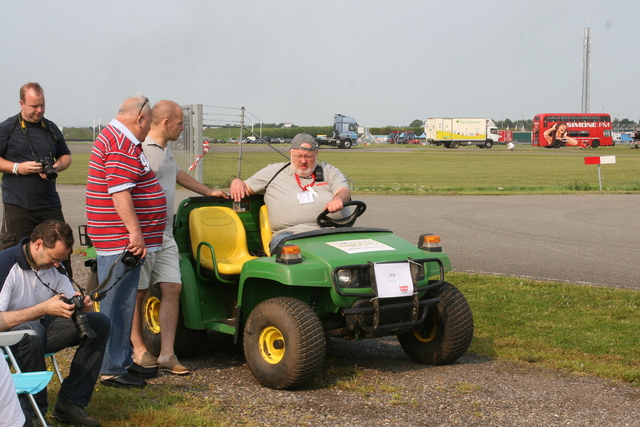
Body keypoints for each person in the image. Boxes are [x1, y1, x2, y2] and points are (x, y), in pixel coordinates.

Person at [130, 100, 228, 375]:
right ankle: (138, 349)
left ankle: (167, 354)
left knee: (172, 288)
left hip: (165, 233)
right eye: (181, 123)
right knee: (137, 293)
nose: (183, 128)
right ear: (165, 123)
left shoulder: (165, 149)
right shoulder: (141, 151)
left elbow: (177, 174)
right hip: (144, 235)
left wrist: (208, 191)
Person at [85, 94, 167, 389]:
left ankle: (119, 360)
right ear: (140, 119)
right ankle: (109, 367)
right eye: (148, 124)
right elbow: (120, 193)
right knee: (116, 303)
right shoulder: (121, 143)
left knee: (123, 302)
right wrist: (135, 232)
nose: (148, 130)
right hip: (120, 240)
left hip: (120, 239)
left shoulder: (122, 140)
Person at [0, 220, 110, 427]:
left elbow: (67, 300)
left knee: (98, 323)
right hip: (7, 337)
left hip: (39, 331)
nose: (57, 265)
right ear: (38, 244)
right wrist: (41, 309)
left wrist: (79, 305)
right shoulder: (5, 264)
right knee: (32, 330)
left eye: (61, 260)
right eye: (53, 259)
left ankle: (70, 403)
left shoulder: (55, 266)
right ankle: (32, 414)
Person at [230, 133, 351, 252]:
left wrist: (337, 199)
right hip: (290, 236)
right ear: (291, 153)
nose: (303, 161)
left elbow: (343, 191)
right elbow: (245, 186)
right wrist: (236, 181)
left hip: (332, 231)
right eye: (298, 156)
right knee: (304, 255)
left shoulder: (329, 171)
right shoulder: (273, 172)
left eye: (308, 156)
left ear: (316, 153)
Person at [0, 83, 73, 274]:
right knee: (14, 256)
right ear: (21, 103)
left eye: (42, 105)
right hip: (18, 205)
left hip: (48, 204)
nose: (39, 110)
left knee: (61, 250)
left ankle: (67, 297)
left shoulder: (50, 128)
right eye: (34, 106)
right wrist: (17, 168)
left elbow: (66, 156)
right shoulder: (7, 128)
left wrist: (56, 166)